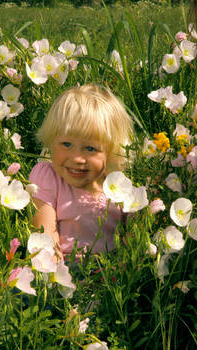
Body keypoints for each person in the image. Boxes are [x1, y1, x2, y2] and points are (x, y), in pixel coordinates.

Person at [29, 83, 134, 261]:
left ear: (111, 152)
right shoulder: (48, 177)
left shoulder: (119, 188)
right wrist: (57, 280)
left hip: (109, 273)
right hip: (62, 267)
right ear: (51, 141)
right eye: (67, 144)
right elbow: (45, 236)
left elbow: (131, 241)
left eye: (90, 148)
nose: (77, 158)